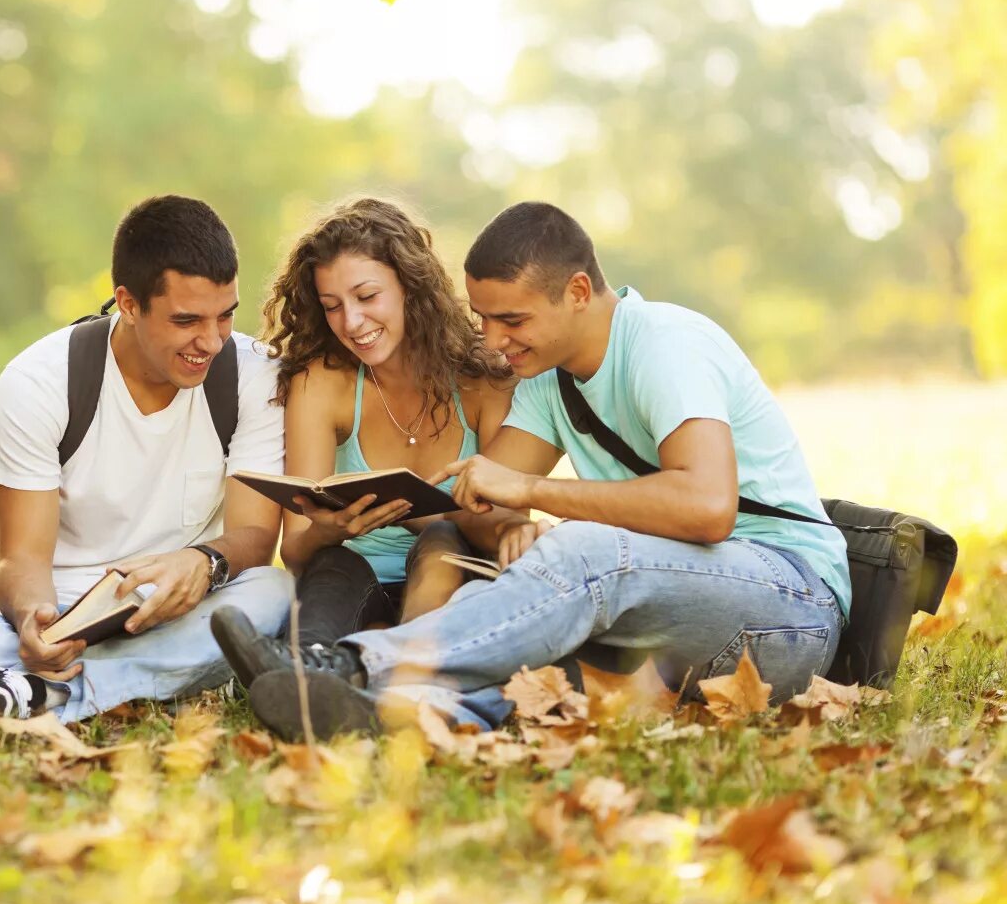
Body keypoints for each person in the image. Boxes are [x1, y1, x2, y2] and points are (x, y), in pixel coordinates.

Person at [218, 200, 853, 739]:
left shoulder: (665, 344)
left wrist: (529, 494)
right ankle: (395, 712)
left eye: (512, 320)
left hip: (788, 607)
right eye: (485, 318)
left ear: (577, 292)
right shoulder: (546, 382)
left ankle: (349, 668)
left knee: (584, 551)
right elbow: (479, 495)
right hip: (674, 616)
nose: (492, 340)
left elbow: (708, 508)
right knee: (527, 626)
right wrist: (502, 525)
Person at [0, 195, 291, 720]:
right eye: (186, 320)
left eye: (225, 316)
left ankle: (43, 695)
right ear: (129, 304)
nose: (211, 340)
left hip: (184, 606)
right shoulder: (39, 380)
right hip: (67, 610)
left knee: (274, 592)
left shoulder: (255, 375)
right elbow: (22, 561)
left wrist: (205, 562)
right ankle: (141, 678)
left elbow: (255, 538)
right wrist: (34, 623)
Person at [211, 198, 520, 687]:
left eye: (367, 296)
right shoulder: (322, 382)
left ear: (410, 287)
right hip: (353, 574)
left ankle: (402, 682)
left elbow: (504, 527)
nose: (352, 322)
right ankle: (304, 671)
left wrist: (423, 513)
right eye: (332, 306)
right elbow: (295, 551)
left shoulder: (487, 380)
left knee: (442, 540)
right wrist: (330, 527)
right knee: (334, 562)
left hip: (458, 576)